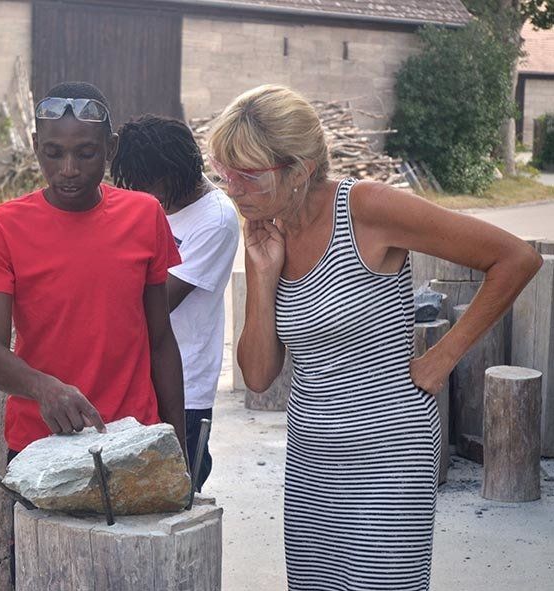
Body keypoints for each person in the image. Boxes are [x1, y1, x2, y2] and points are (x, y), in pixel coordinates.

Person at [208, 84, 542, 590]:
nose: (231, 188)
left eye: (246, 174)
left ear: (297, 170)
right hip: (311, 458)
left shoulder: (365, 207)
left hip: (389, 454)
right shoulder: (269, 230)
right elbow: (257, 376)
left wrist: (441, 358)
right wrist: (261, 271)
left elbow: (517, 258)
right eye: (224, 172)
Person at [0, 81, 186, 458]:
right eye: (53, 153)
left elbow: (161, 339)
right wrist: (42, 388)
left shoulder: (145, 215)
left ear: (110, 149)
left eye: (86, 153)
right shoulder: (1, 227)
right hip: (41, 443)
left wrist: (178, 443)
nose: (68, 170)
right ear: (36, 146)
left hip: (133, 436)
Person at [111, 114, 238, 490]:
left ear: (177, 171)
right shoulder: (146, 203)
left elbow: (156, 303)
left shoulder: (216, 220)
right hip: (134, 377)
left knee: (175, 490)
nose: (145, 195)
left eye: (151, 186)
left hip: (185, 386)